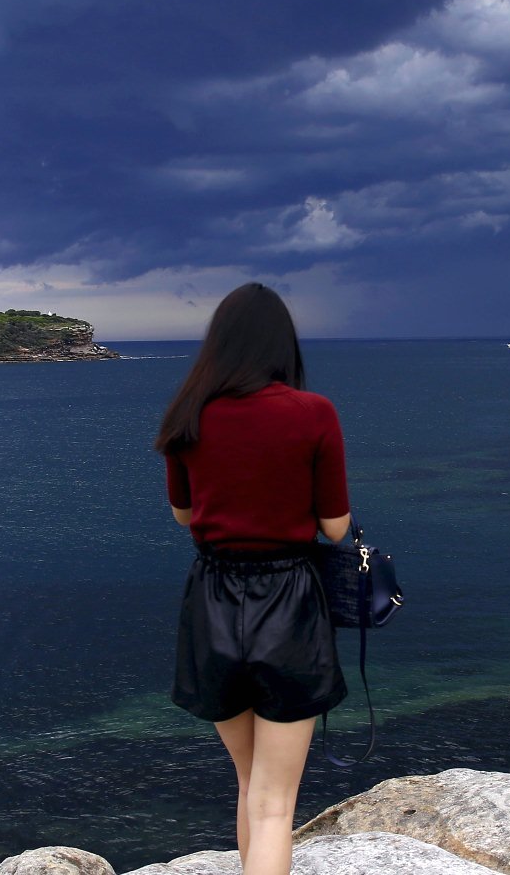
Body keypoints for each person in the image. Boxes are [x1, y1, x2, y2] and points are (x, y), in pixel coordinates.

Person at [155, 283, 351, 875]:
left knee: (248, 781)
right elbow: (336, 529)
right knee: (274, 803)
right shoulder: (313, 413)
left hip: (212, 602)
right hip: (288, 604)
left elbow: (184, 515)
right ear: (280, 346)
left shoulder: (187, 413)